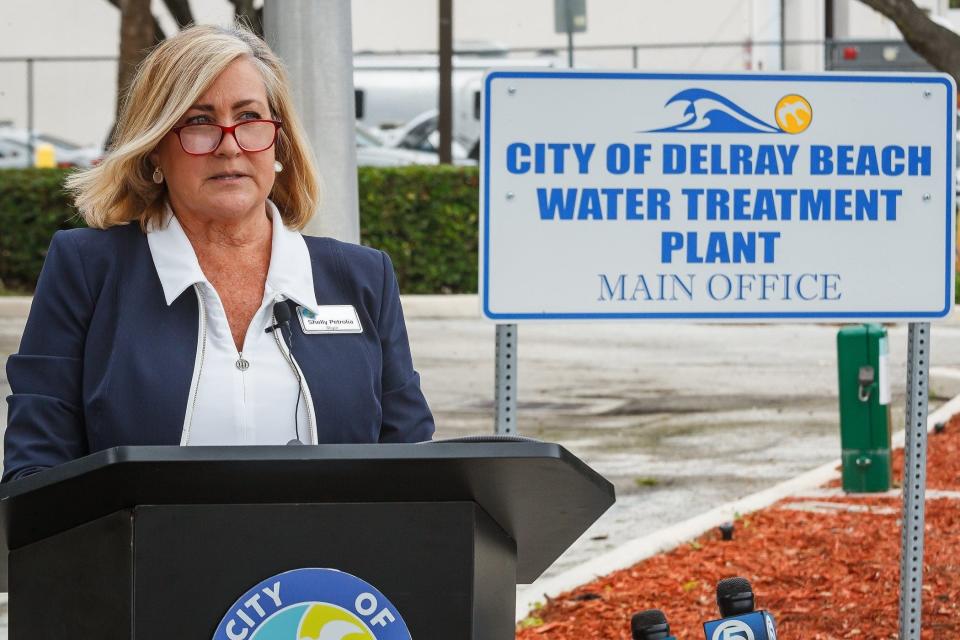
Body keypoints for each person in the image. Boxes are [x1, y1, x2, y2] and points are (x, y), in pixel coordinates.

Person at [2, 24, 434, 483]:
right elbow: (35, 475)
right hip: (145, 555)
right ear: (154, 153)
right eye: (199, 122)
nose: (229, 145)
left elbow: (415, 471)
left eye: (249, 118)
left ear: (278, 143)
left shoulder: (363, 278)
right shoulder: (87, 270)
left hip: (328, 556)